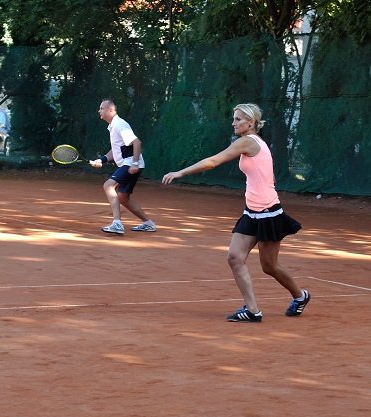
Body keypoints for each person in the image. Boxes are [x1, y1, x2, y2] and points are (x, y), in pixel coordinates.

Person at [161, 103, 310, 322]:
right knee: (234, 257)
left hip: (268, 213)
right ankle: (252, 310)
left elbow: (213, 162)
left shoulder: (248, 142)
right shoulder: (254, 143)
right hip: (252, 213)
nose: (233, 122)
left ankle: (300, 296)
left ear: (251, 123)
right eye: (234, 118)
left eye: (238, 119)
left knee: (269, 266)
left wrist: (180, 172)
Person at [90, 98, 156, 235]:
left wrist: (135, 163)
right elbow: (116, 150)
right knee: (123, 198)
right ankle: (148, 223)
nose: (99, 111)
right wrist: (102, 160)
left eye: (101, 108)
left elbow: (137, 143)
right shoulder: (112, 126)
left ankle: (117, 224)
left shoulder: (120, 124)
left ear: (110, 110)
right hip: (129, 163)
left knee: (108, 185)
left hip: (130, 163)